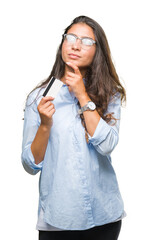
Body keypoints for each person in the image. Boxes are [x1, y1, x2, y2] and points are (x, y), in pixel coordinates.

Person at [21, 15, 126, 240]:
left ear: (98, 50)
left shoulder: (111, 94)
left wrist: (81, 94)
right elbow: (30, 165)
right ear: (63, 43)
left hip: (104, 216)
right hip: (58, 219)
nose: (76, 45)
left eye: (86, 41)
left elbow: (107, 145)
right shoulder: (38, 98)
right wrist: (45, 126)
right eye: (71, 37)